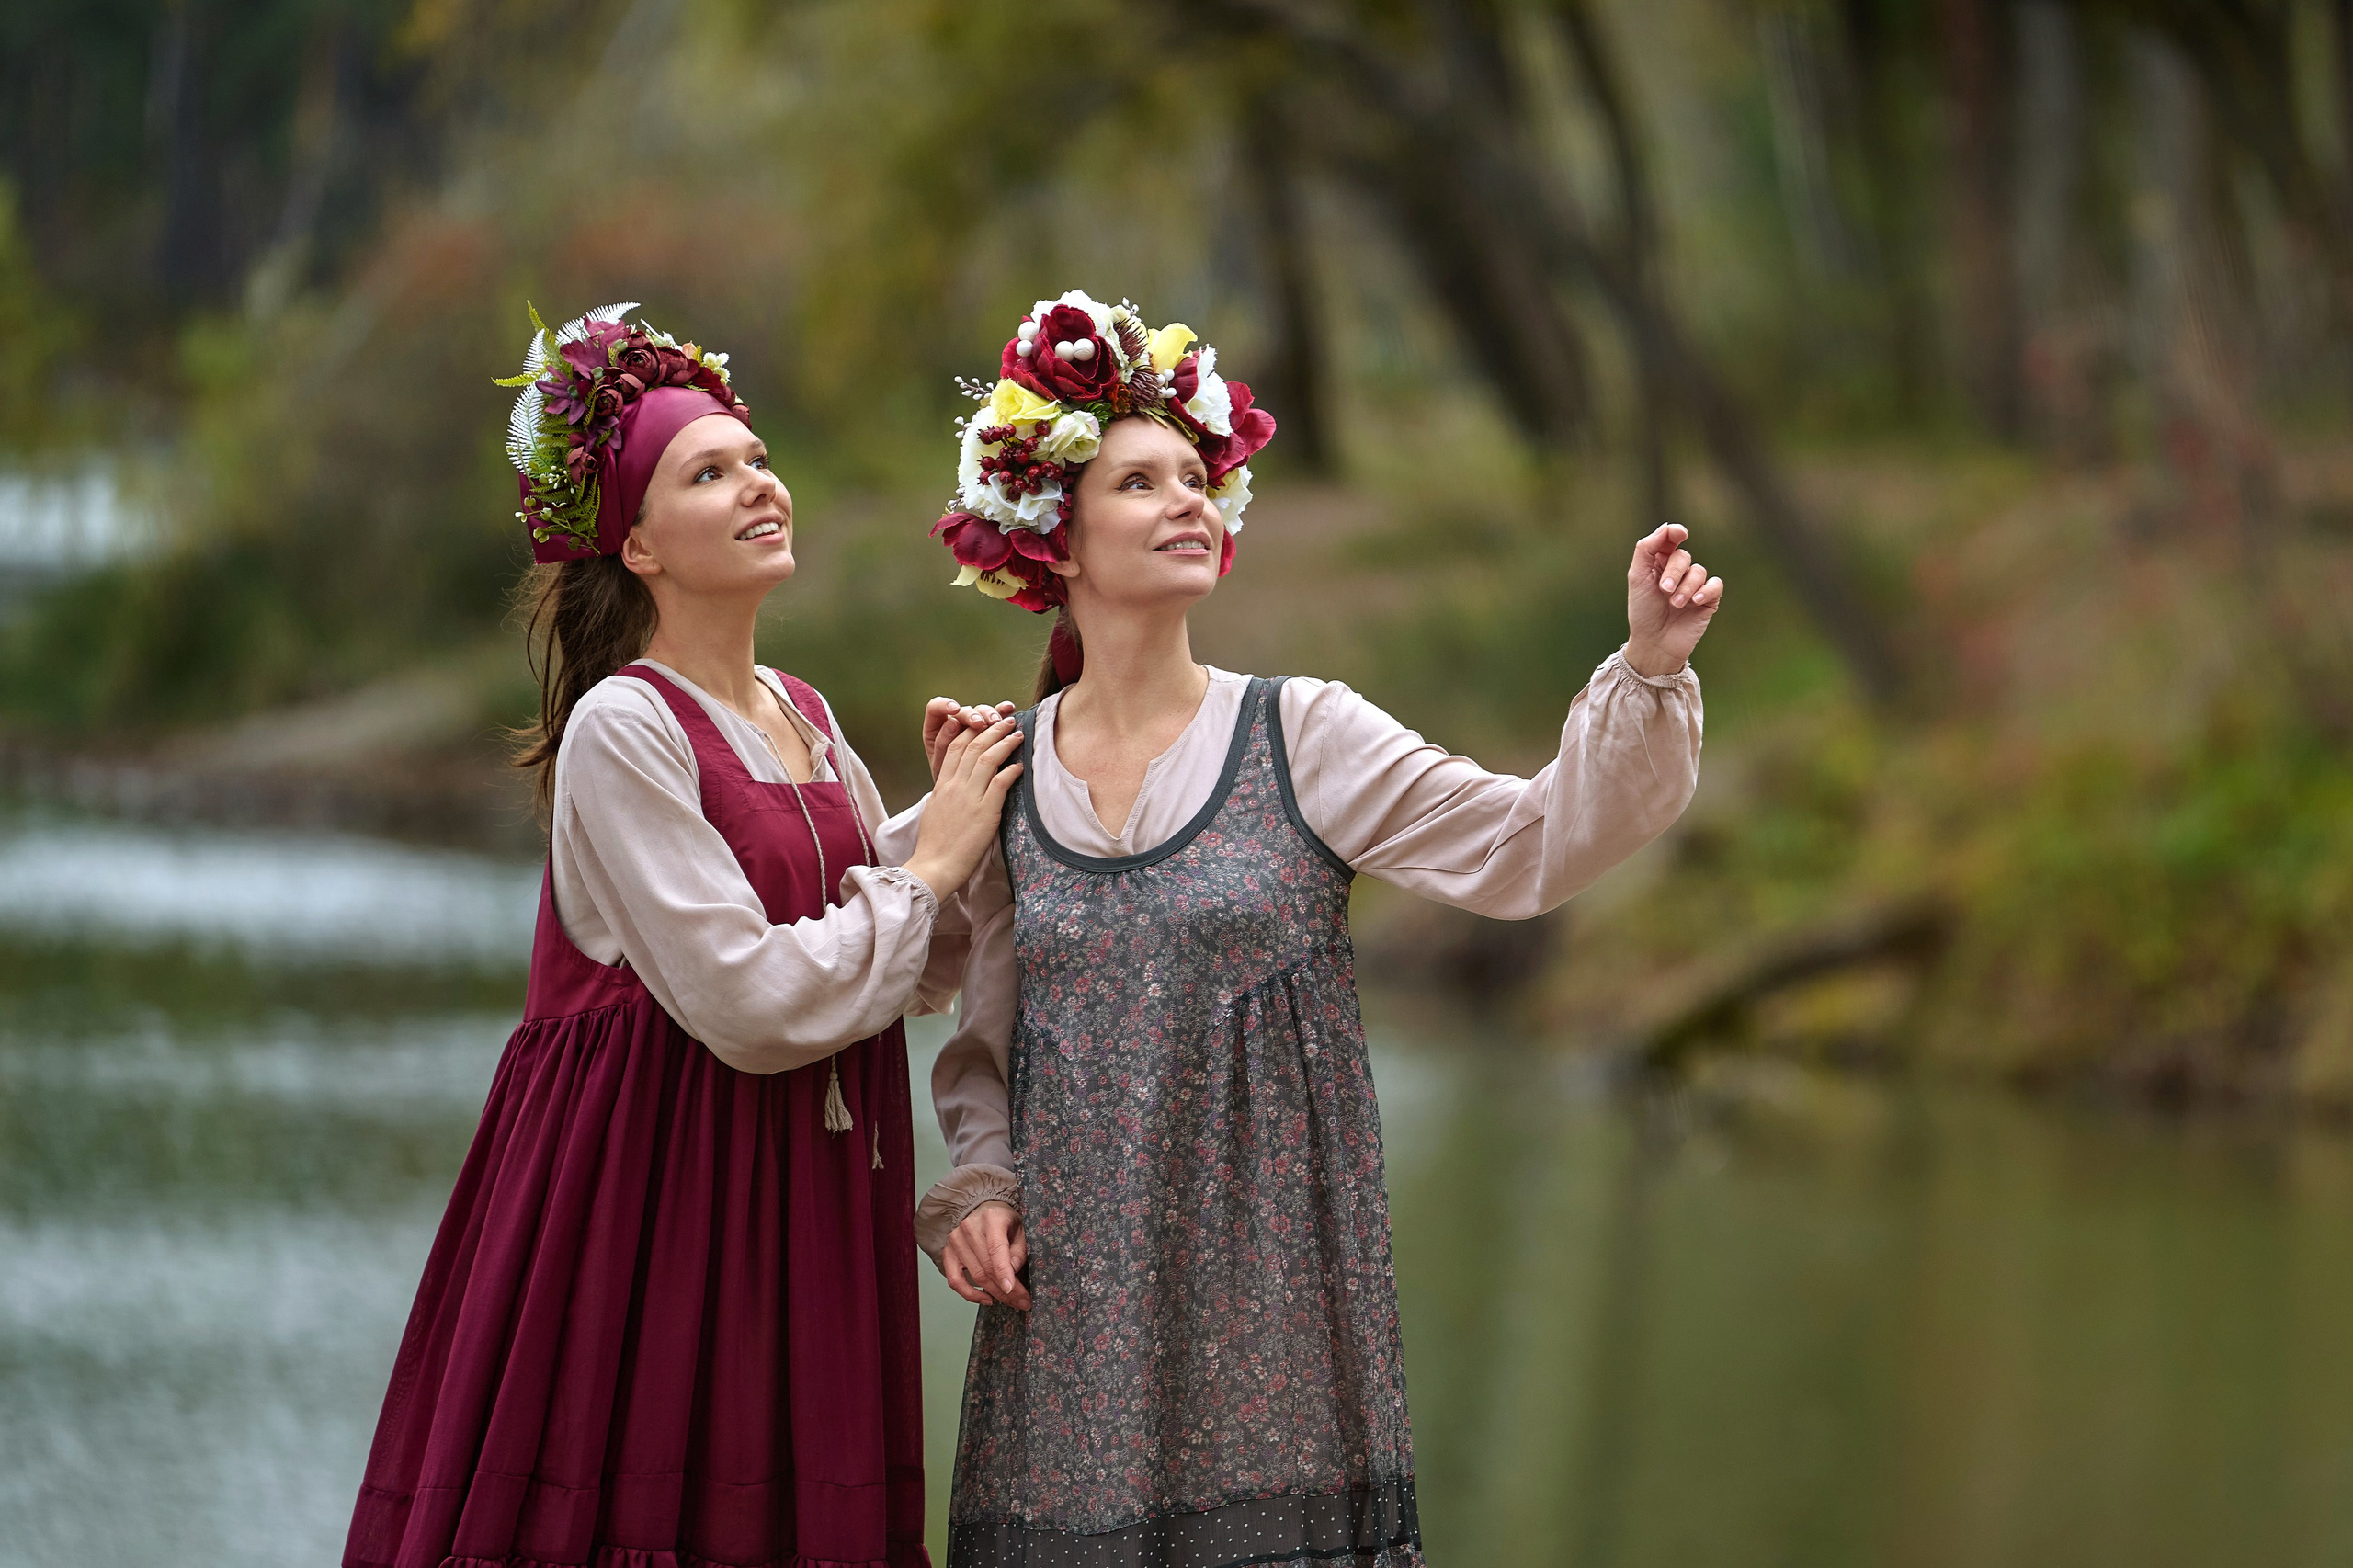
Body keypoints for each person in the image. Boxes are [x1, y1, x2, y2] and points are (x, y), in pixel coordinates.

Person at [914, 290, 1721, 1567]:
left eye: (1196, 476)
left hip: (1273, 1315)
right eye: (1139, 483)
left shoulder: (1304, 733)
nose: (1188, 499)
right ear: (1052, 537)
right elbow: (940, 1000)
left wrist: (1652, 670)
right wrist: (975, 1186)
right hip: (1070, 1328)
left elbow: (1531, 844)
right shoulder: (1001, 775)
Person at [343, 303, 1021, 1568]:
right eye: (707, 473)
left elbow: (899, 953)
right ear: (638, 544)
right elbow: (753, 1000)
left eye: (755, 460)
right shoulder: (624, 726)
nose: (758, 484)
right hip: (654, 1205)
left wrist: (981, 800)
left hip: (804, 1195)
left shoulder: (803, 711)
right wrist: (932, 860)